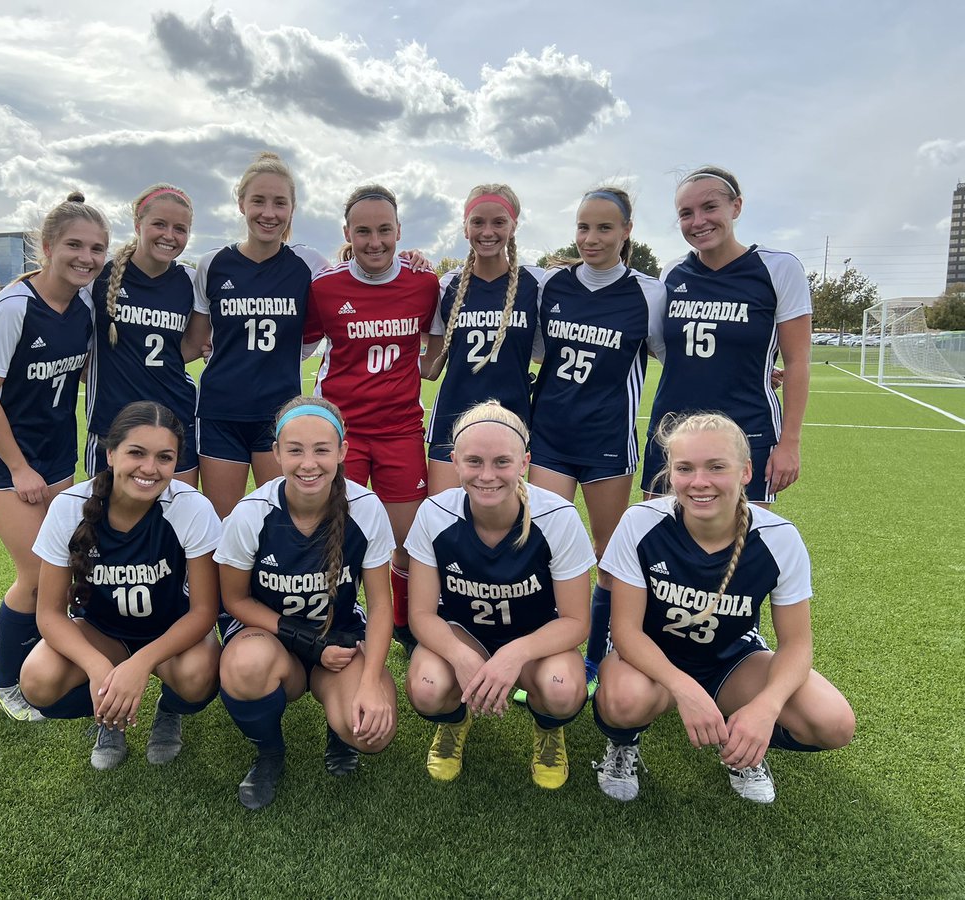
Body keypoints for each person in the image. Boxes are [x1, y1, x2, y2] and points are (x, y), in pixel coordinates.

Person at [592, 412, 855, 804]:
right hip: (652, 662)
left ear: (746, 471)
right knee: (623, 701)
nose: (699, 482)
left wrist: (765, 708)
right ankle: (623, 745)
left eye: (716, 467)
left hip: (732, 662)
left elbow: (797, 645)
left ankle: (742, 746)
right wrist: (685, 690)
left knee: (833, 723)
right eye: (685, 468)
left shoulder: (779, 539)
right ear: (670, 472)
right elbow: (626, 631)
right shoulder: (641, 523)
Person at [0, 191, 108, 722]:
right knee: (35, 575)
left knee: (64, 571)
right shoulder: (13, 308)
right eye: (74, 245)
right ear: (46, 246)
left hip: (56, 455)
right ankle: (6, 684)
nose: (86, 257)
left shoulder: (86, 303)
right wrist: (21, 468)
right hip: (9, 460)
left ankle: (42, 669)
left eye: (97, 248)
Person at [216, 397, 397, 809]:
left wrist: (368, 681)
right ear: (276, 453)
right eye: (295, 450)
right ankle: (269, 752)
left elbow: (382, 606)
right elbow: (234, 599)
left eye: (321, 449)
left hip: (340, 637)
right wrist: (308, 642)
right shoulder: (251, 514)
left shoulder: (365, 508)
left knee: (372, 733)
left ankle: (339, 727)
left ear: (342, 452)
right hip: (270, 639)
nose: (308, 463)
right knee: (246, 666)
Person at [20, 401, 222, 769]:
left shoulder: (191, 508)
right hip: (102, 633)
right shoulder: (70, 507)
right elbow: (49, 614)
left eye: (165, 457)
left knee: (198, 677)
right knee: (37, 681)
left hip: (169, 633)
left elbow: (205, 611)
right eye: (137, 453)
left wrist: (141, 664)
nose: (150, 468)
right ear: (111, 454)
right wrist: (99, 669)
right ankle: (110, 718)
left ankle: (168, 708)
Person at [404, 401, 596, 788]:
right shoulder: (434, 514)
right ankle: (454, 722)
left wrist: (515, 654)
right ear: (454, 462)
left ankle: (548, 730)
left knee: (563, 690)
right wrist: (460, 656)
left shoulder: (557, 516)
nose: (486, 476)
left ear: (524, 462)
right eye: (473, 462)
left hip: (535, 639)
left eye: (501, 462)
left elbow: (577, 622)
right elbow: (421, 615)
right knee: (427, 688)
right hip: (465, 633)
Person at [529, 187, 667, 689]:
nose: (591, 238)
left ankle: (597, 655)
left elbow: (675, 357)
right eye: (584, 227)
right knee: (543, 544)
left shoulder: (649, 294)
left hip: (609, 441)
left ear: (627, 232)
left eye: (605, 228)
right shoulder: (552, 286)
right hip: (549, 437)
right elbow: (541, 352)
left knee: (609, 552)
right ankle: (546, 653)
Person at [303, 184, 440, 654]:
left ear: (400, 230)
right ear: (347, 233)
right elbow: (299, 345)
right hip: (342, 433)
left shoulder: (425, 284)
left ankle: (404, 624)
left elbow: (436, 342)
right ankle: (340, 620)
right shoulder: (325, 288)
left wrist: (427, 367)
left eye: (385, 230)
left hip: (401, 429)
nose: (375, 241)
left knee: (406, 539)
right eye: (363, 231)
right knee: (336, 538)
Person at [643, 166, 811, 505]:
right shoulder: (672, 272)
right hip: (672, 430)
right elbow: (663, 346)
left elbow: (797, 362)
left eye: (710, 207)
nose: (698, 221)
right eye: (686, 214)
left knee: (740, 546)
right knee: (659, 543)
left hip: (747, 431)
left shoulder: (778, 268)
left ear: (736, 206)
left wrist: (789, 442)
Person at [190, 152, 329, 520]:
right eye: (258, 201)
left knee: (280, 522)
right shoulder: (213, 264)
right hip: (221, 412)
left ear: (292, 209)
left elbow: (354, 279)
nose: (269, 213)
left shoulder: (308, 264)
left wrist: (409, 259)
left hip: (278, 412)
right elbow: (199, 339)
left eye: (279, 203)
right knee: (223, 525)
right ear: (241, 204)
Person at [424, 184, 542, 497]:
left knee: (506, 526)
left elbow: (544, 354)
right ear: (465, 228)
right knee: (443, 520)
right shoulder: (446, 285)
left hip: (513, 422)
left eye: (498, 222)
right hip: (452, 418)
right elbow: (432, 367)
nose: (487, 231)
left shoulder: (536, 284)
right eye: (477, 222)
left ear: (513, 226)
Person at [87, 183, 204, 486]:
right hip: (112, 422)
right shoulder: (99, 278)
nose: (169, 235)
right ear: (138, 224)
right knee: (108, 523)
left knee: (179, 522)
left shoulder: (190, 281)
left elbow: (194, 343)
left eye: (180, 228)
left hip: (175, 418)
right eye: (159, 224)